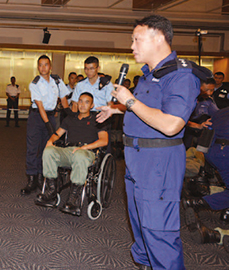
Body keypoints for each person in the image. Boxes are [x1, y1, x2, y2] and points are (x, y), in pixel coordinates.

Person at [96, 15, 203, 270]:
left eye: (137, 39)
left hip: (158, 165)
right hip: (137, 162)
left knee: (159, 233)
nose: (132, 46)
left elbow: (171, 124)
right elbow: (153, 110)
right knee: (141, 229)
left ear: (158, 37)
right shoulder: (151, 75)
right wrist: (120, 109)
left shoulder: (181, 76)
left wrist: (130, 101)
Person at [35, 93, 108, 216]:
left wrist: (84, 147)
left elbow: (104, 141)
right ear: (76, 103)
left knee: (80, 155)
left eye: (86, 102)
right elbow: (57, 134)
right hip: (69, 150)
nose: (82, 104)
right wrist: (49, 141)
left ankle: (74, 199)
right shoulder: (69, 119)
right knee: (48, 151)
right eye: (80, 101)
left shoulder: (98, 119)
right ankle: (51, 192)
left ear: (92, 105)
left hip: (87, 152)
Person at [21, 55, 69, 195]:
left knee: (46, 149)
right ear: (38, 67)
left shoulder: (57, 81)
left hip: (51, 116)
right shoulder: (34, 84)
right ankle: (31, 180)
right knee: (32, 148)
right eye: (40, 65)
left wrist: (70, 116)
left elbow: (64, 99)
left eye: (46, 64)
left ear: (50, 66)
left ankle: (42, 178)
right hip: (37, 117)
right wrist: (49, 126)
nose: (43, 67)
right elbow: (40, 106)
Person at [183, 107, 229, 244]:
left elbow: (208, 132)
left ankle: (199, 199)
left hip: (212, 151)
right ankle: (199, 203)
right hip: (224, 152)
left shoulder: (222, 111)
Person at [183, 78, 218, 149]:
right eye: (206, 90)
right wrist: (198, 126)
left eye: (212, 90)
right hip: (184, 133)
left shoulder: (208, 100)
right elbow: (180, 120)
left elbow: (217, 113)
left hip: (199, 135)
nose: (209, 93)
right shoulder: (186, 99)